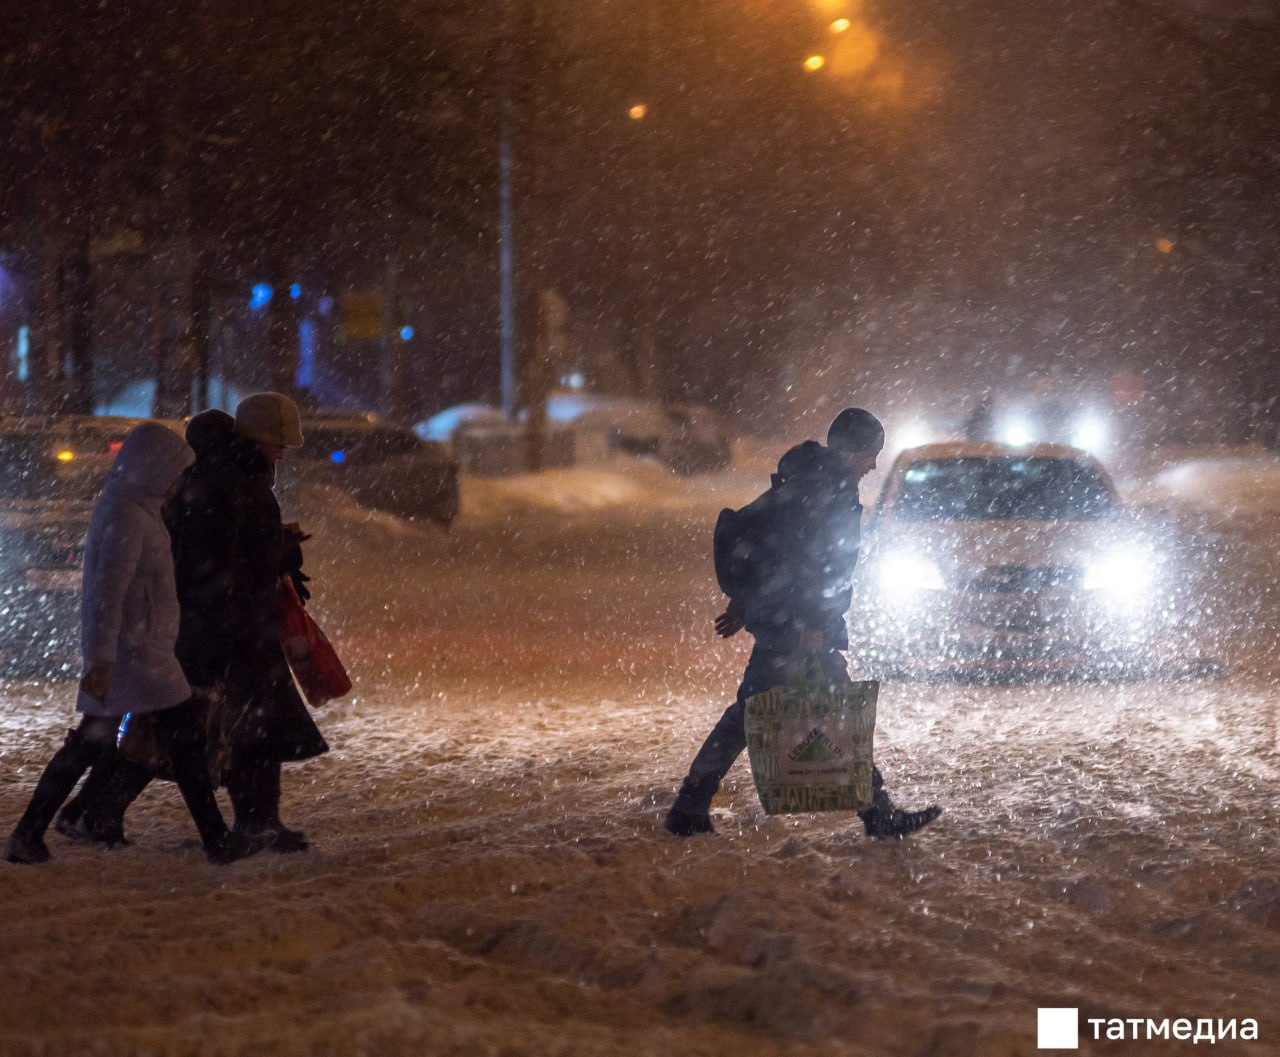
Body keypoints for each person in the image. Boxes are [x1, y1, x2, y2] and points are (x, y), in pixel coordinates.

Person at [664, 407, 942, 840]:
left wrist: (743, 603)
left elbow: (773, 550)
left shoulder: (807, 481)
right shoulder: (825, 489)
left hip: (788, 620)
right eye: (870, 454)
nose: (872, 464)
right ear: (852, 450)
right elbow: (812, 562)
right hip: (797, 628)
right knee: (758, 714)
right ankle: (688, 806)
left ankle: (876, 812)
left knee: (828, 712)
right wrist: (811, 622)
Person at [64, 397, 327, 851]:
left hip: (217, 625)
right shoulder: (231, 483)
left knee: (229, 725)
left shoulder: (218, 475)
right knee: (190, 727)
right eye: (279, 443)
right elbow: (227, 562)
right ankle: (93, 809)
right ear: (258, 438)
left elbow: (223, 552)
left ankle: (253, 819)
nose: (284, 452)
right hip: (225, 629)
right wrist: (280, 552)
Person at [4, 422, 265, 865]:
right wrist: (102, 661)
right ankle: (216, 841)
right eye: (171, 471)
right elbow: (108, 594)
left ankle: (29, 834)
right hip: (137, 654)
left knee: (111, 744)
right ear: (150, 468)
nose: (176, 481)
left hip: (141, 651)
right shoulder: (128, 516)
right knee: (168, 745)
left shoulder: (134, 509)